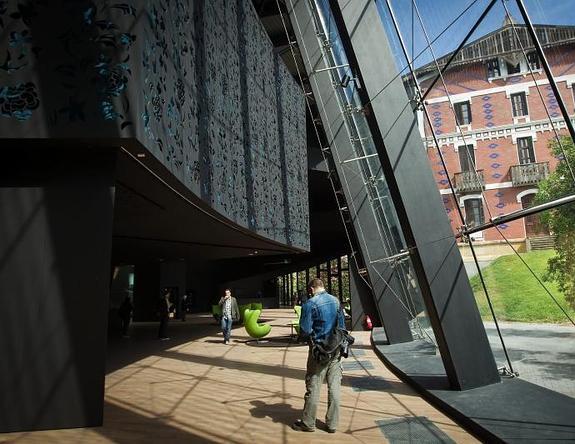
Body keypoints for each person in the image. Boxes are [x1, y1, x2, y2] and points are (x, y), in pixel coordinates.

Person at [292, 278, 345, 434]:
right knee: (334, 387)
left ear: (311, 289)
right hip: (335, 350)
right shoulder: (335, 301)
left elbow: (305, 330)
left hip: (318, 353)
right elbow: (341, 327)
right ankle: (332, 424)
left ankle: (308, 423)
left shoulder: (310, 304)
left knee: (313, 387)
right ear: (323, 286)